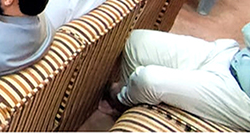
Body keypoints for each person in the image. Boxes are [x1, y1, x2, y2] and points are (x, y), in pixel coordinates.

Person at [101, 23, 250, 130]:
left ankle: (122, 102)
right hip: (233, 55)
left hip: (238, 94)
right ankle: (128, 100)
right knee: (137, 41)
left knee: (148, 80)